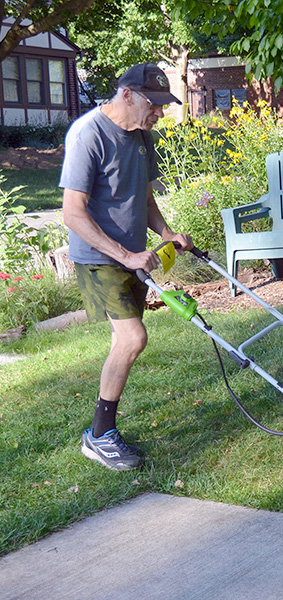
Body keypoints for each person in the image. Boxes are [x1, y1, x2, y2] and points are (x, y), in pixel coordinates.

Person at [60, 63, 193, 470]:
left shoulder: (142, 138)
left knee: (127, 341)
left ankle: (102, 430)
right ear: (127, 95)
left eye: (163, 106)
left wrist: (168, 233)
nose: (159, 113)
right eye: (154, 104)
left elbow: (145, 199)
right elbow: (72, 213)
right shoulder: (88, 135)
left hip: (131, 253)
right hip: (101, 257)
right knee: (132, 338)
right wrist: (126, 255)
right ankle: (99, 435)